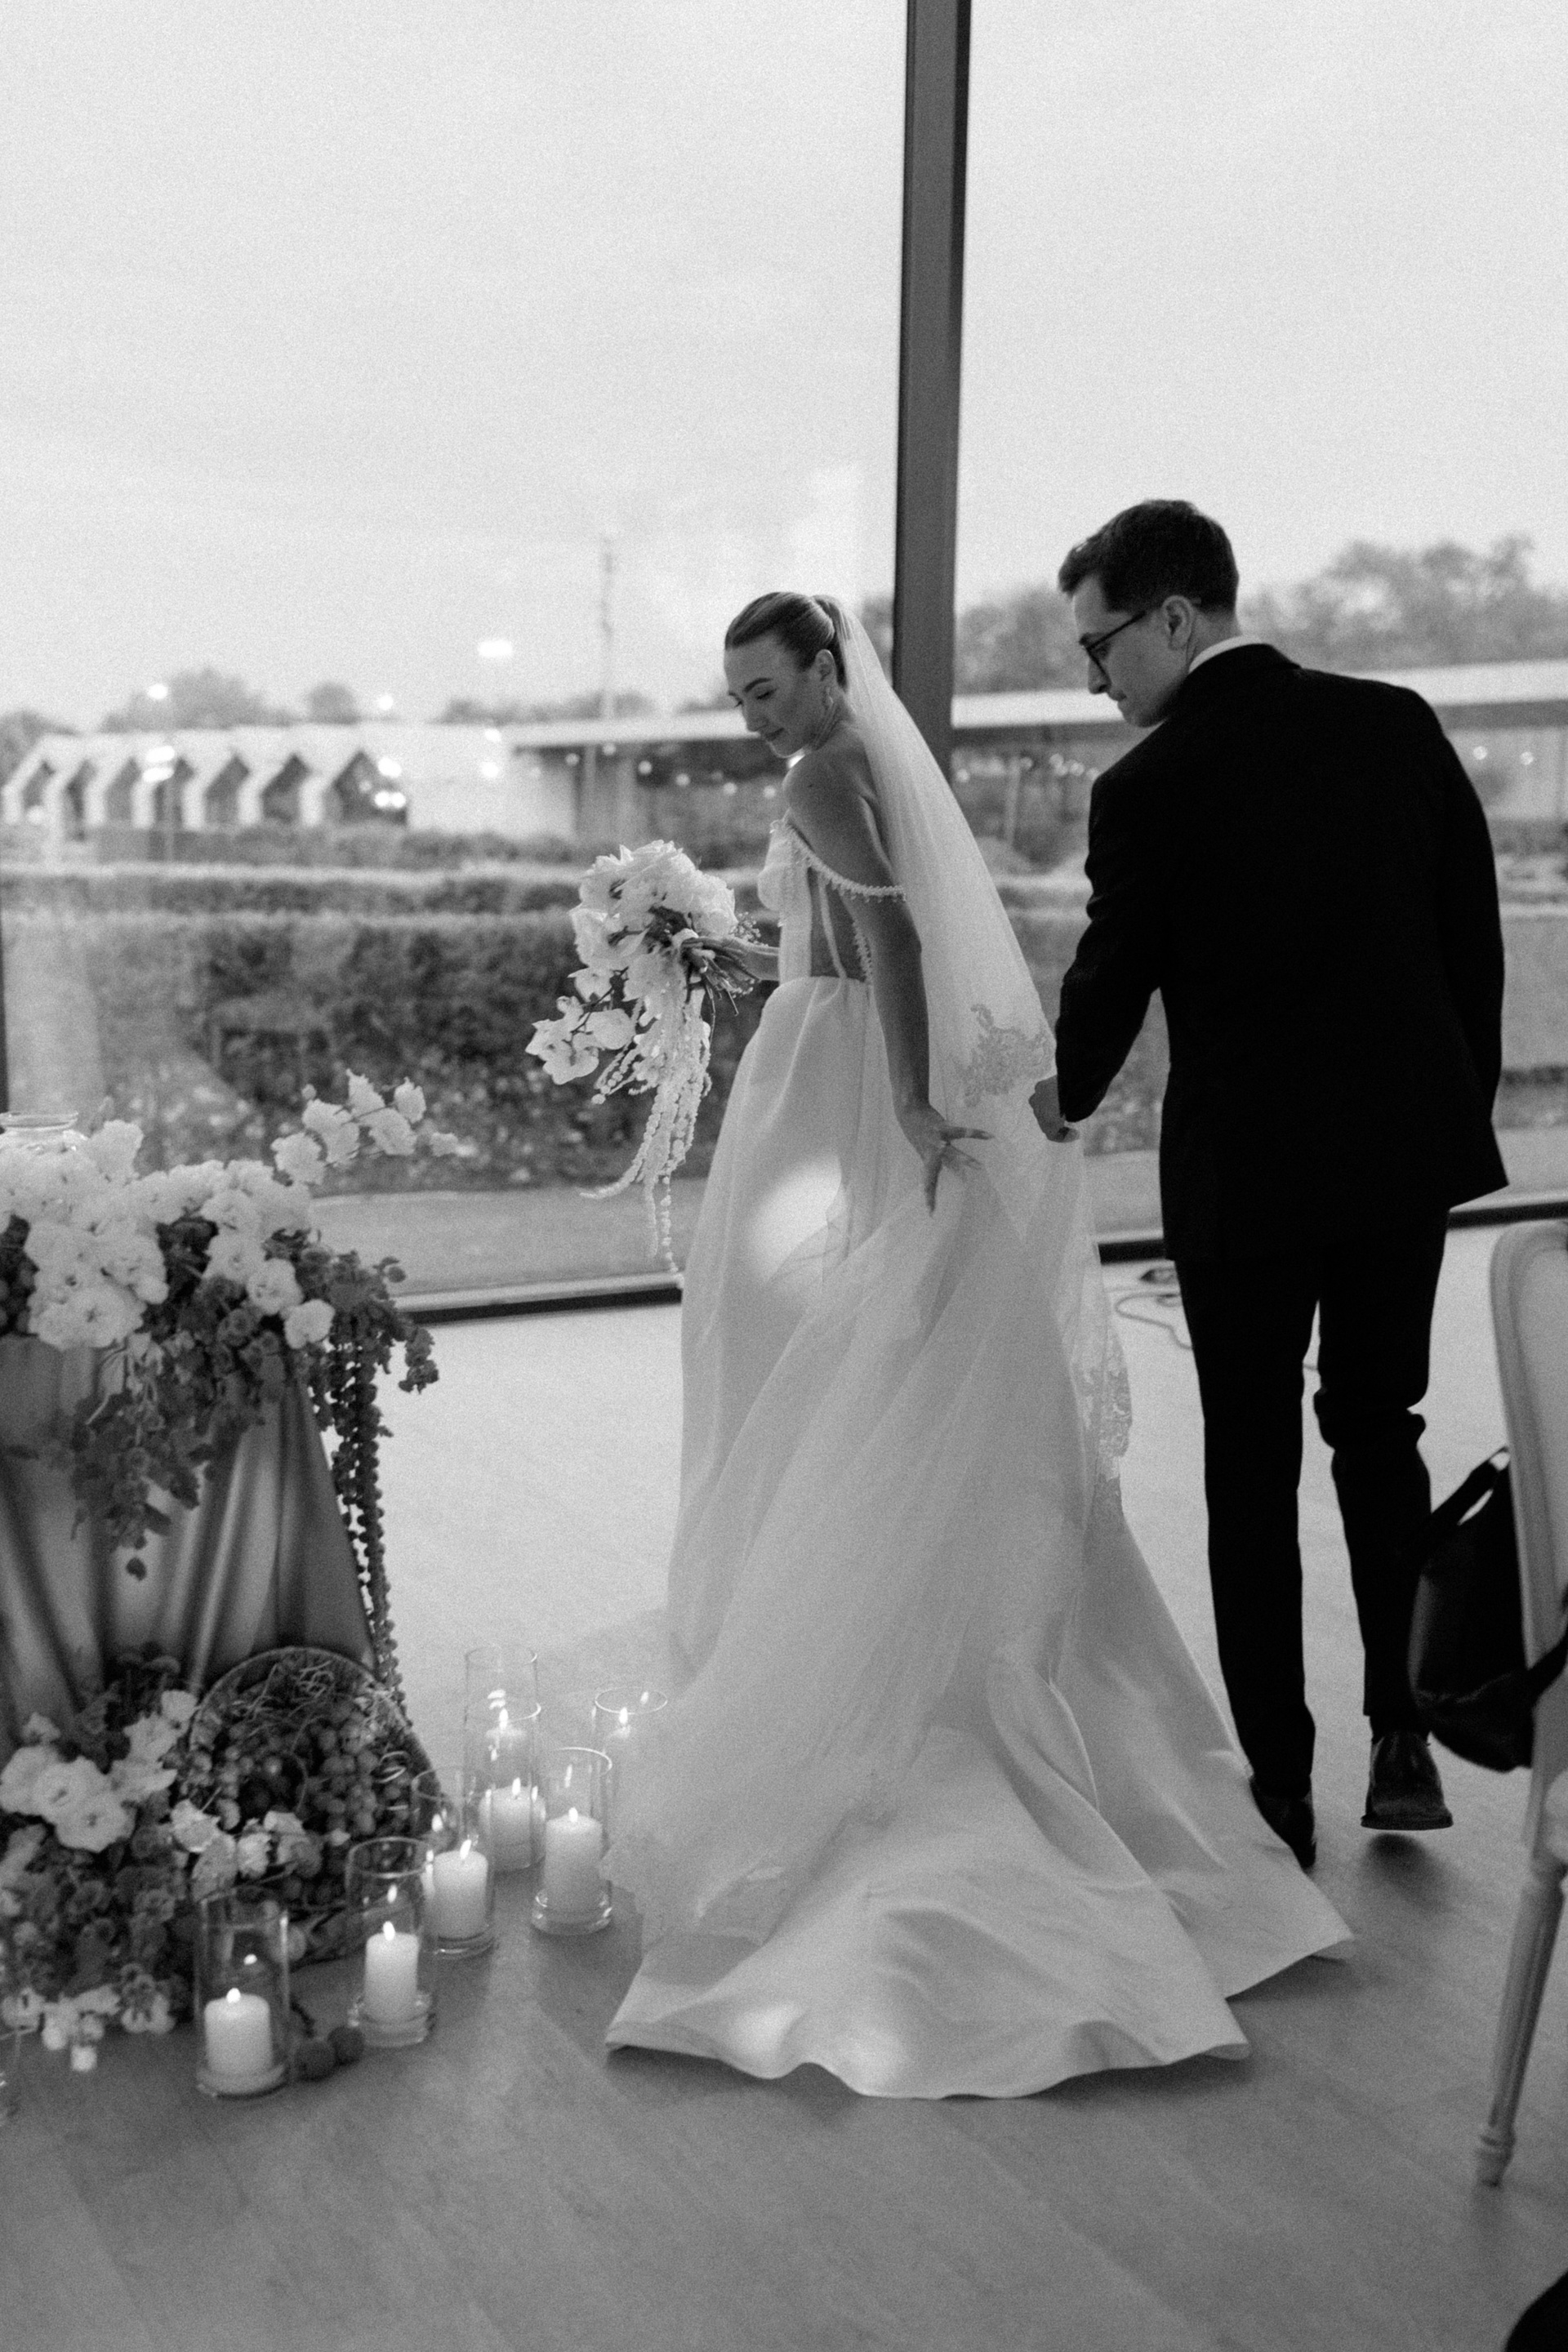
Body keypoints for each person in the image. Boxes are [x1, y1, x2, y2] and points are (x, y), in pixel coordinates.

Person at [603, 590, 1345, 2099]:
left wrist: (900, 1099)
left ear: (827, 669)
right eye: (737, 695)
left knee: (781, 1364)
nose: (754, 713)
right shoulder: (856, 764)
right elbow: (844, 927)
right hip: (823, 1046)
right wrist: (709, 948)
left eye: (768, 686)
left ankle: (797, 1647)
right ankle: (815, 1609)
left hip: (833, 1081)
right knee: (832, 1368)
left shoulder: (826, 772)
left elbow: (883, 938)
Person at [1047, 500, 1507, 1871]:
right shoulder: (1395, 724)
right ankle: (1404, 1737)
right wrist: (1446, 1112)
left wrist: (1055, 1097)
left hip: (1244, 1176)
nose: (1094, 677)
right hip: (1397, 1159)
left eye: (1101, 646)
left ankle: (1284, 1789)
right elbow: (1470, 942)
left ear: (1176, 618)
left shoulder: (1149, 788)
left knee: (1249, 1468)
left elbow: (1111, 981)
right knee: (1380, 1430)